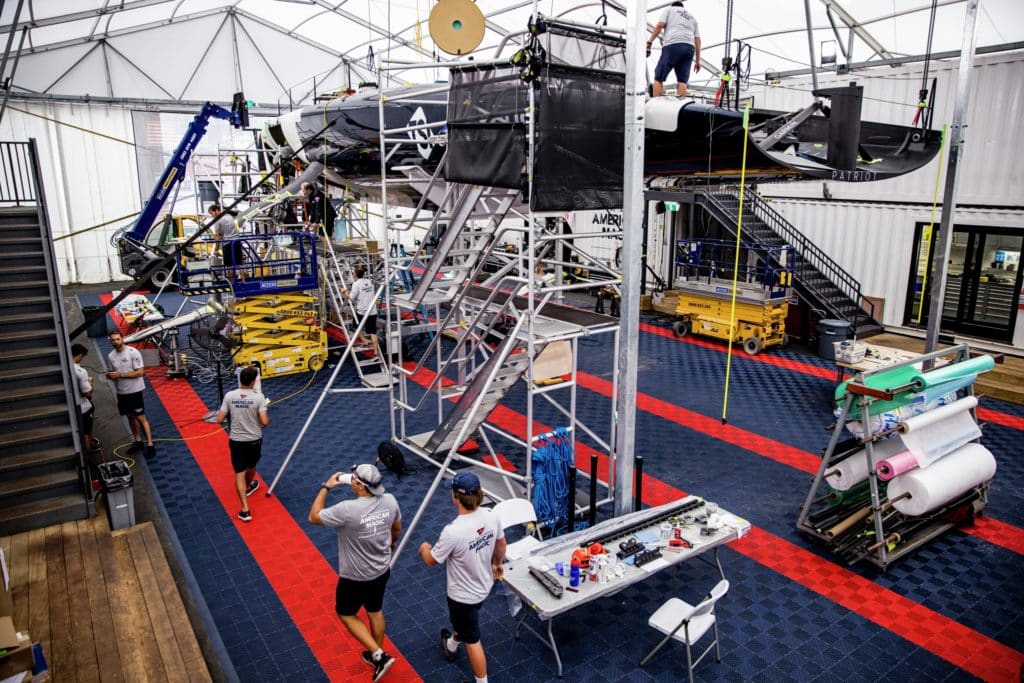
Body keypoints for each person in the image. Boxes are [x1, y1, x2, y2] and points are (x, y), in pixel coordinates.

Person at [309, 463, 401, 682]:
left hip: (355, 578)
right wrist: (392, 544)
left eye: (353, 479)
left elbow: (313, 517)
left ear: (360, 486)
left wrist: (326, 487)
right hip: (381, 570)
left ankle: (379, 655)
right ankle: (375, 653)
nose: (351, 481)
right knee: (375, 610)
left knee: (346, 613)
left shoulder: (347, 509)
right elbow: (396, 529)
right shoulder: (390, 500)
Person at [419, 472, 506, 683]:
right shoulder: (491, 515)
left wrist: (424, 548)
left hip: (462, 597)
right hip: (484, 586)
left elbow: (432, 560)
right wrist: (497, 563)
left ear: (455, 498)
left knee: (473, 640)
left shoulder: (453, 531)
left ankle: (482, 681)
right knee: (465, 624)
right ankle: (451, 644)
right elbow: (501, 544)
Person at [214, 366, 269, 522]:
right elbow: (264, 422)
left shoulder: (230, 395)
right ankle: (249, 485)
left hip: (237, 441)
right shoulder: (259, 397)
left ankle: (245, 509)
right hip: (254, 440)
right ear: (253, 381)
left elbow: (219, 419)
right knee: (251, 466)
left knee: (239, 472)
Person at [106, 331, 155, 458]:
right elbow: (113, 372)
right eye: (113, 340)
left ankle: (150, 444)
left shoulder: (133, 352)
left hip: (134, 391)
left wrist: (121, 375)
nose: (116, 342)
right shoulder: (110, 356)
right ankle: (138, 441)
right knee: (130, 417)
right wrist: (110, 376)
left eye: (118, 339)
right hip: (121, 391)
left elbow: (140, 372)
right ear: (110, 341)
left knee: (140, 417)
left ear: (122, 339)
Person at [648, 1, 701, 97]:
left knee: (658, 77)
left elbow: (660, 25)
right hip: (689, 47)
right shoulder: (692, 17)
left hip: (673, 44)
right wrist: (697, 61)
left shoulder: (669, 10)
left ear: (673, 6)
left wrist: (650, 41)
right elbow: (697, 40)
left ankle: (656, 104)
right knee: (682, 81)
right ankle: (680, 106)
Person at [343, 265, 378, 354]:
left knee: (356, 326)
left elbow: (351, 298)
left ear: (355, 274)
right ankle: (376, 352)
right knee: (373, 331)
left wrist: (344, 291)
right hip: (372, 310)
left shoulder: (356, 284)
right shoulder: (369, 281)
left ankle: (363, 339)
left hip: (362, 311)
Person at [208, 203, 245, 281]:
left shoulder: (217, 221)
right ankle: (243, 281)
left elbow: (217, 236)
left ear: (216, 211)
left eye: (212, 213)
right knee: (240, 264)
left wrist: (217, 248)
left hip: (227, 244)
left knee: (229, 266)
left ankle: (232, 285)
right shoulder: (229, 216)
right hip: (236, 241)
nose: (212, 215)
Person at [71, 343, 94, 451]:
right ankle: (87, 459)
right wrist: (90, 382)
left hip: (71, 407)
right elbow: (87, 393)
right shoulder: (81, 372)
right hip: (83, 408)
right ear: (80, 355)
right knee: (86, 434)